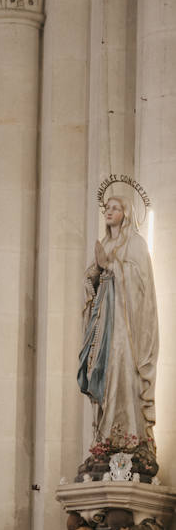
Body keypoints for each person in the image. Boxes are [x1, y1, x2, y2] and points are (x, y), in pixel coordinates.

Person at [78, 191, 158, 473]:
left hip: (125, 326)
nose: (109, 212)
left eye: (115, 208)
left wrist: (111, 266)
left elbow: (141, 284)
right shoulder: (106, 243)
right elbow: (94, 286)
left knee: (122, 374)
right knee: (102, 372)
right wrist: (96, 274)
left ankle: (129, 437)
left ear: (125, 213)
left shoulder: (135, 243)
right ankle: (103, 438)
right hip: (104, 326)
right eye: (106, 208)